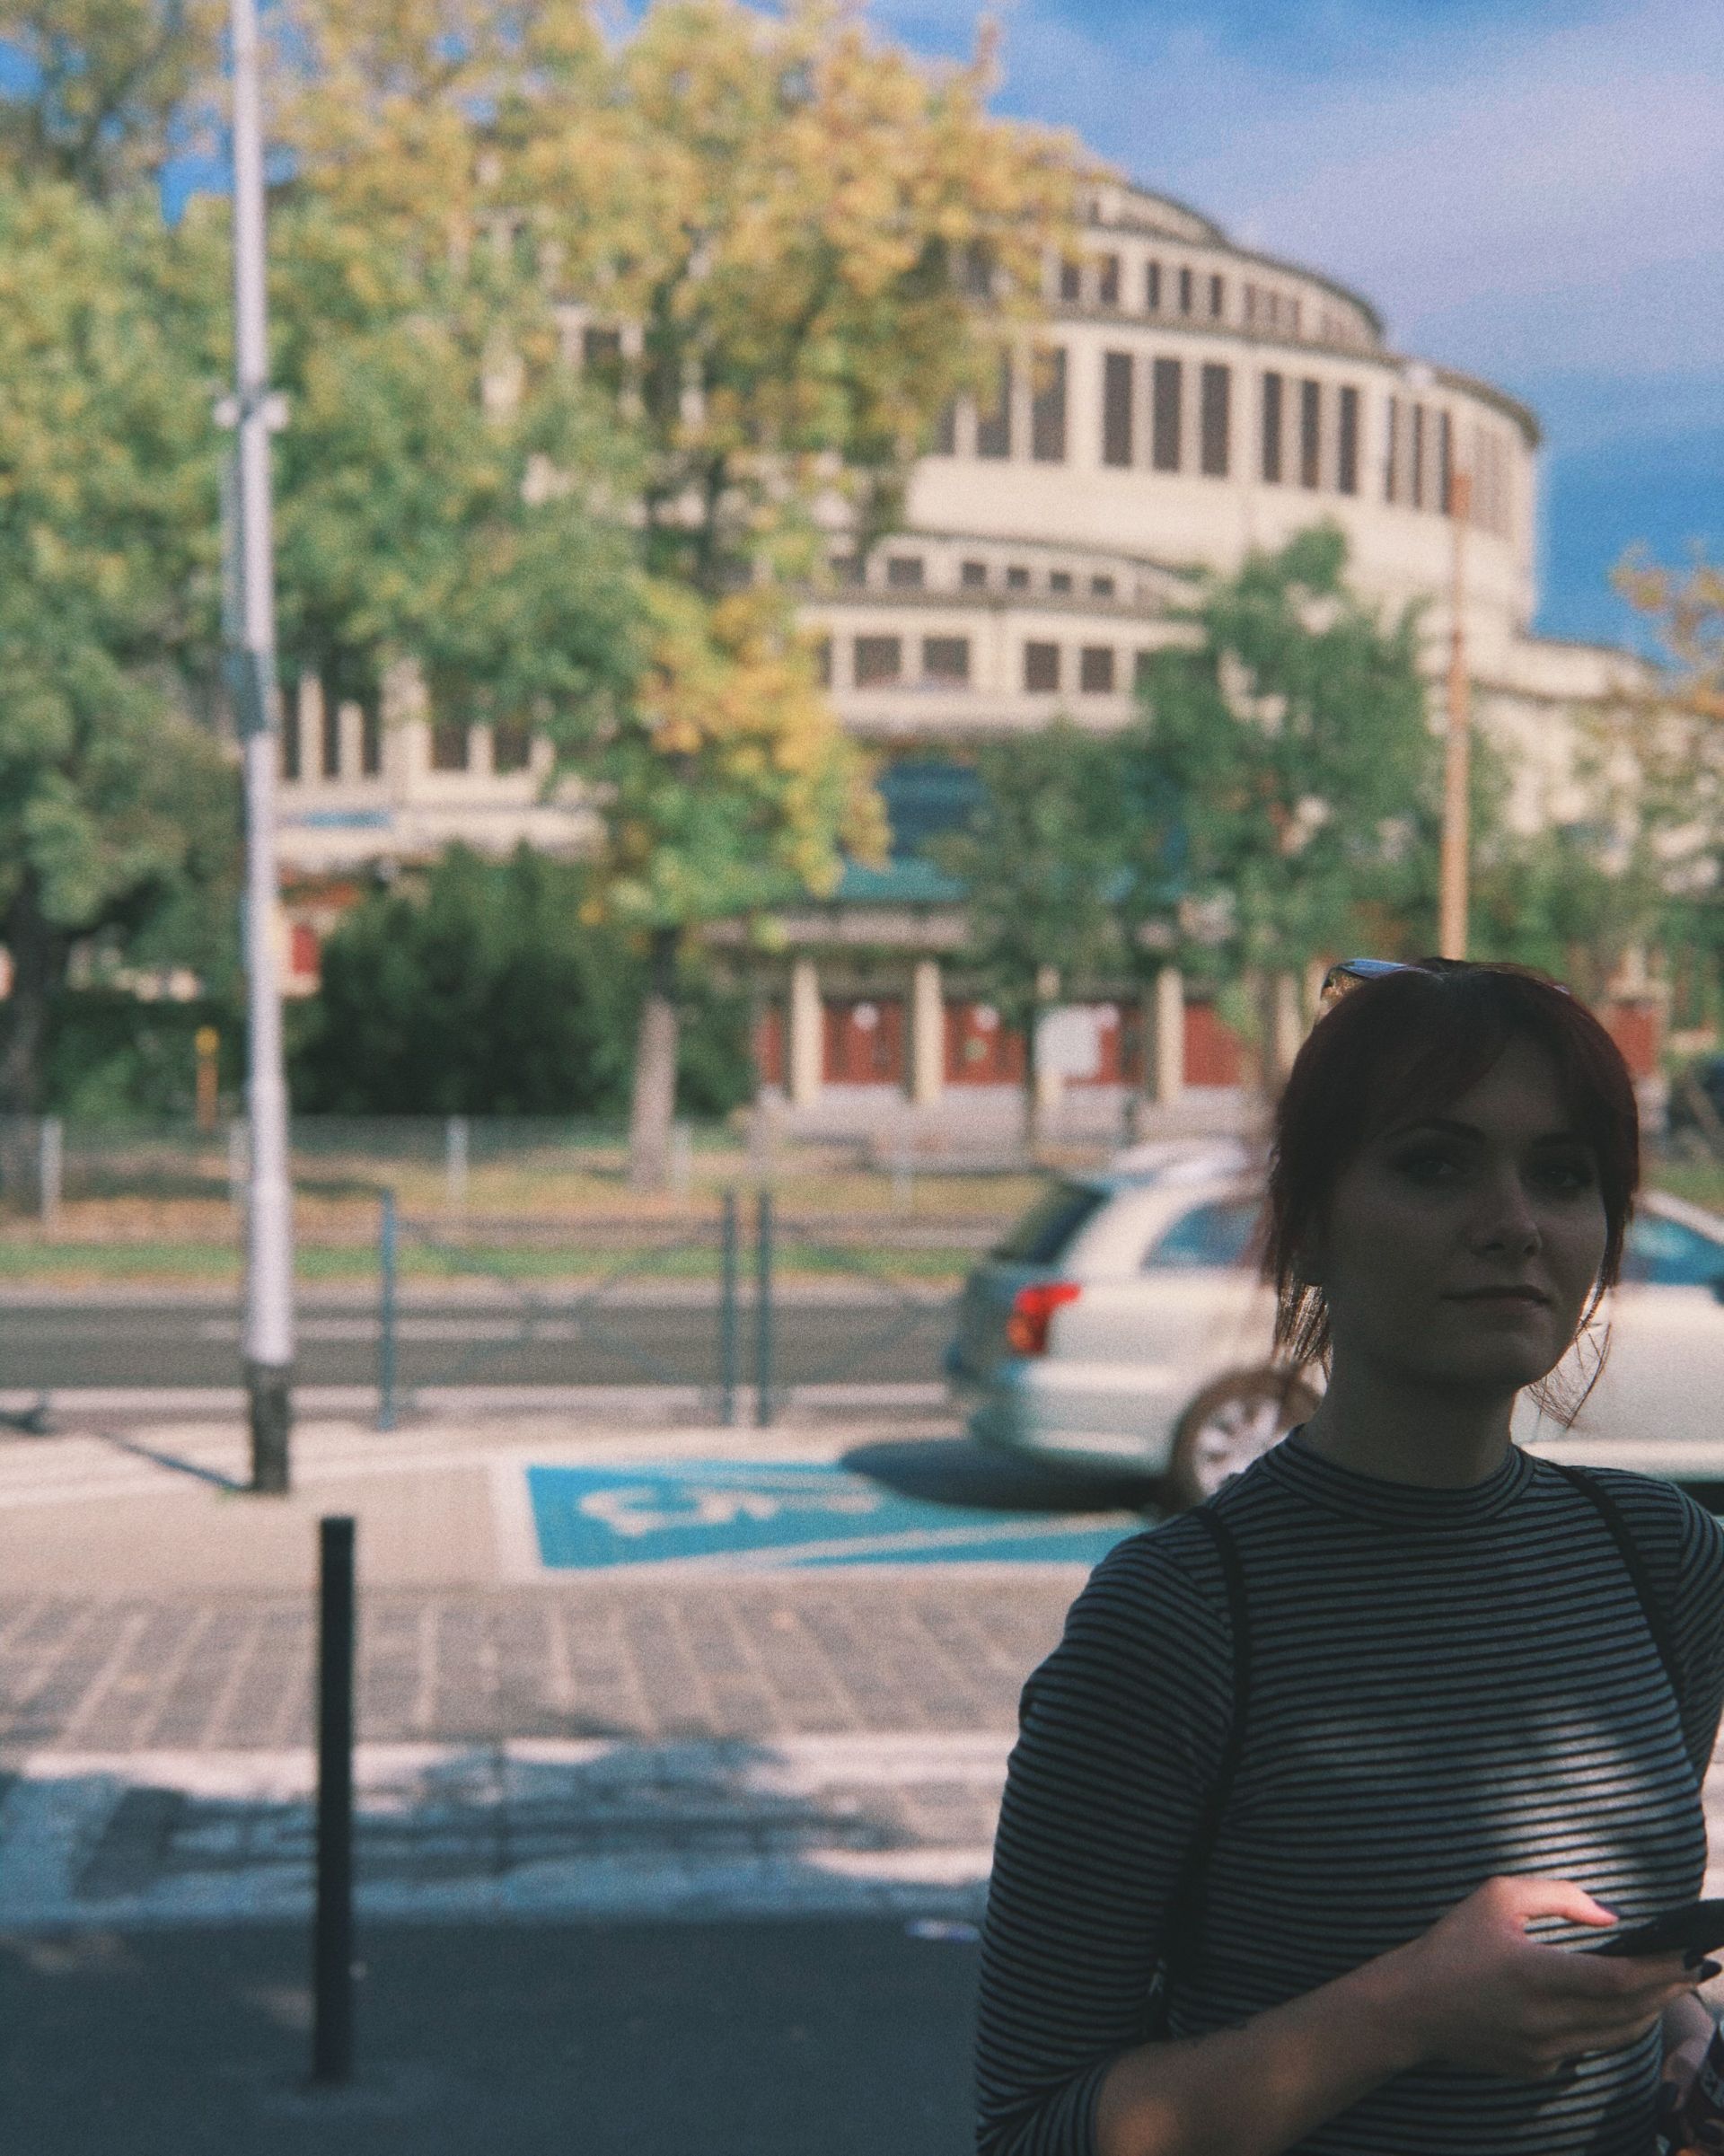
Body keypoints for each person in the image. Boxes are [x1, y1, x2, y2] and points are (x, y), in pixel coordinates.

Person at [976, 958, 1724, 2156]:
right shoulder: (1180, 1617)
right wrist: (1406, 2010)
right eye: (1435, 1164)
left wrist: (1677, 2034)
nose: (1515, 1222)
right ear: (1310, 1223)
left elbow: (1597, 1965)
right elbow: (1032, 2129)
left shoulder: (1663, 1561)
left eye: (1562, 1174)